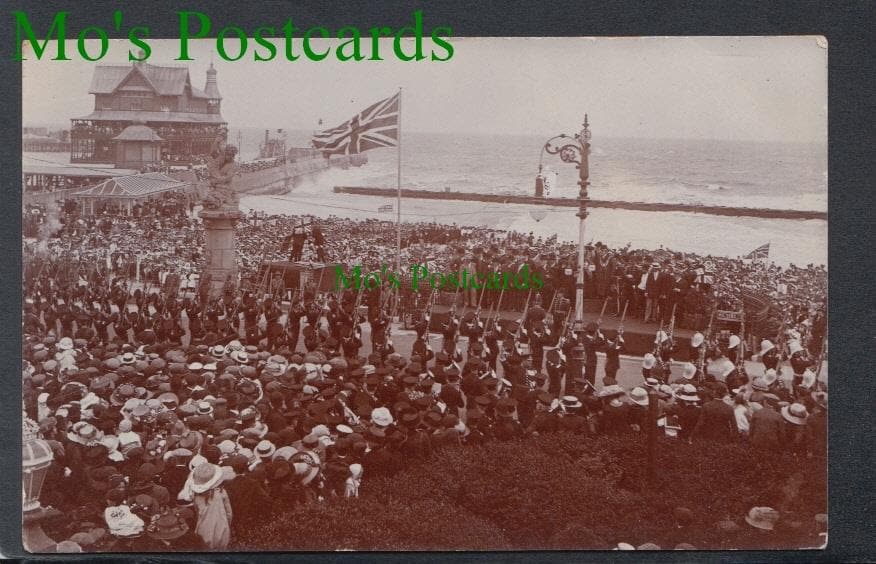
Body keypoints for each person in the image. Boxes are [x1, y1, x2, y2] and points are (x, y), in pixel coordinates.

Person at [191, 463, 233, 550]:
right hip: (221, 529)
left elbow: (197, 513)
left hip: (203, 530)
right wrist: (227, 524)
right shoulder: (221, 492)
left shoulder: (195, 496)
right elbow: (229, 513)